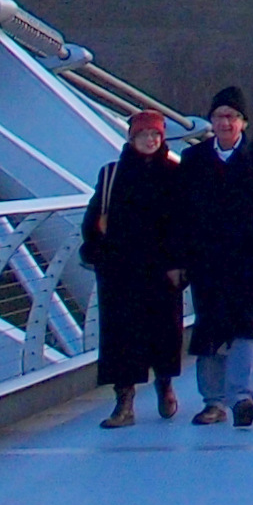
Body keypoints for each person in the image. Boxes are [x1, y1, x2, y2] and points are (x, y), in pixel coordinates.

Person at [176, 88, 253, 428]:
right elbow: (181, 211)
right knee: (209, 325)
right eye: (219, 116)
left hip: (249, 259)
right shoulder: (194, 160)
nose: (225, 122)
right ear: (210, 121)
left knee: (246, 326)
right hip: (207, 260)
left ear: (243, 122)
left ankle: (242, 397)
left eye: (232, 117)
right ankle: (212, 402)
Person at [81, 109, 187, 427]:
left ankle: (164, 385)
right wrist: (98, 253)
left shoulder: (174, 173)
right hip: (120, 270)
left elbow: (184, 223)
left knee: (164, 332)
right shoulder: (113, 174)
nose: (151, 140)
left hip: (161, 270)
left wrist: (179, 263)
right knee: (120, 337)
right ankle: (124, 402)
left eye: (156, 135)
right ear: (132, 138)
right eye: (144, 135)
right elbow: (94, 216)